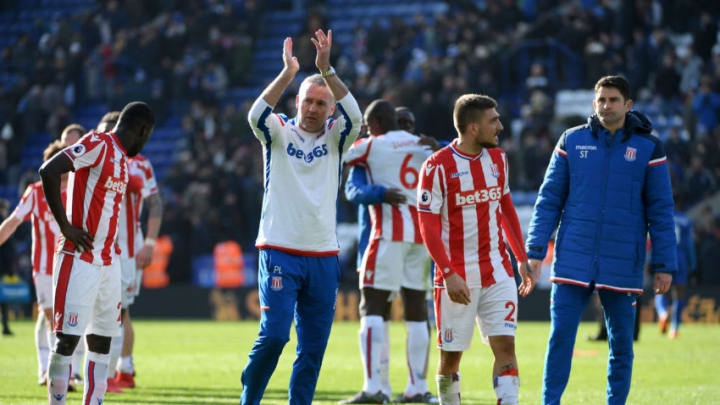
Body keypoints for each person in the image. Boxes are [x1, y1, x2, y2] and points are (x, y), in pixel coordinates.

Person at [525, 75, 676, 405]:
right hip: (573, 259)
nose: (606, 105)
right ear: (594, 104)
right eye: (601, 100)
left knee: (621, 346)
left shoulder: (649, 147)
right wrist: (535, 250)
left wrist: (665, 264)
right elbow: (549, 198)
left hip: (623, 262)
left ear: (628, 105)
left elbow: (662, 210)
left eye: (613, 100)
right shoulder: (571, 141)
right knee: (560, 339)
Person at [241, 29, 361, 405]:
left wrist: (326, 71)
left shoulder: (337, 138)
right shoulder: (277, 132)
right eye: (308, 101)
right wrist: (289, 71)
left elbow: (356, 113)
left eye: (321, 104)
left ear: (329, 110)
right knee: (275, 336)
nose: (313, 108)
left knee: (312, 352)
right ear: (297, 102)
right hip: (279, 250)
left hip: (324, 257)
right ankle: (250, 395)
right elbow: (255, 113)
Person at [417, 94, 535, 405]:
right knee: (451, 359)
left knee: (506, 348)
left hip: (498, 271)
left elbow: (506, 209)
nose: (500, 126)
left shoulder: (498, 159)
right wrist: (448, 273)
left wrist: (520, 258)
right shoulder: (436, 167)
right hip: (456, 277)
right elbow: (427, 227)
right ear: (472, 127)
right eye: (493, 120)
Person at [40, 101, 154, 405]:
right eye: (147, 136)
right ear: (142, 131)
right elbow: (49, 171)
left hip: (109, 260)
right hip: (79, 257)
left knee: (102, 341)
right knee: (66, 340)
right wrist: (65, 226)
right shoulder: (97, 144)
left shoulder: (121, 159)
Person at [340, 100, 437, 404]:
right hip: (421, 239)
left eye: (369, 124)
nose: (368, 129)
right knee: (417, 310)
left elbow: (338, 152)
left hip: (388, 235)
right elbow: (452, 153)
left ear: (378, 122)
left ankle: (374, 388)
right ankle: (417, 388)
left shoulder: (372, 145)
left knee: (372, 307)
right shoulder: (425, 146)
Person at [0, 134, 86, 388]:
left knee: (70, 319)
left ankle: (62, 372)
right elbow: (14, 222)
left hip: (74, 266)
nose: (64, 176)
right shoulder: (36, 193)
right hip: (45, 268)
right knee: (52, 319)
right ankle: (57, 374)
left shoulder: (78, 191)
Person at [98, 112, 163, 389]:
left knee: (118, 311)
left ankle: (115, 371)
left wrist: (149, 243)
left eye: (109, 130)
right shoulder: (94, 158)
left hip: (126, 249)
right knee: (108, 311)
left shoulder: (139, 164)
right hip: (97, 246)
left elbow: (156, 204)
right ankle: (120, 367)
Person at [655, 194, 695, 339]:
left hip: (665, 257)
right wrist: (693, 265)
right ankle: (675, 328)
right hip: (681, 259)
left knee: (660, 291)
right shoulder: (686, 221)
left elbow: (655, 240)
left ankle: (663, 312)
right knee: (679, 294)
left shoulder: (663, 218)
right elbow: (690, 245)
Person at [0, 198, 16, 336]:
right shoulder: (3, 225)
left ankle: (5, 326)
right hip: (2, 266)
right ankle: (5, 326)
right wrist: (10, 269)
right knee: (3, 299)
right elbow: (7, 250)